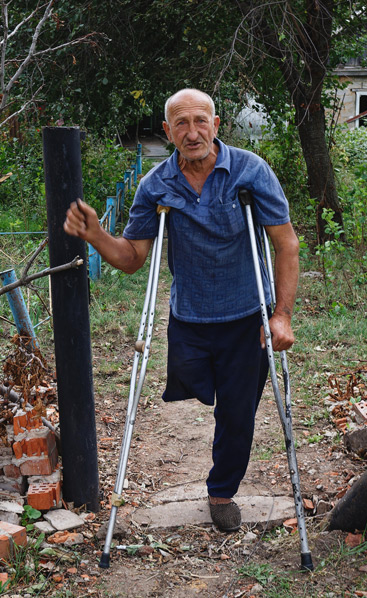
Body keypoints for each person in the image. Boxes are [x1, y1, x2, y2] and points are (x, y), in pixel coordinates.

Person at [64, 88, 299, 532]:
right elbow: (132, 258)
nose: (192, 133)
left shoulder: (250, 170)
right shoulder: (156, 184)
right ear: (168, 131)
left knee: (236, 413)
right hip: (189, 317)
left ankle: (221, 491)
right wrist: (96, 235)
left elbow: (285, 244)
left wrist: (281, 315)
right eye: (181, 124)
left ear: (215, 124)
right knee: (195, 389)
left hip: (246, 316)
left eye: (200, 121)